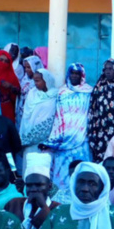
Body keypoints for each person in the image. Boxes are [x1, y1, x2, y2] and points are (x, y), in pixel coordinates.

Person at [39, 63, 94, 191]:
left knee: (82, 171)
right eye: (72, 73)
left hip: (81, 139)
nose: (74, 76)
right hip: (63, 140)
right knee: (62, 173)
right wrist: (53, 140)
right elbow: (58, 117)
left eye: (77, 73)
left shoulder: (89, 91)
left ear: (82, 76)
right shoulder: (62, 92)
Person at [3, 152, 60, 229]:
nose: (33, 189)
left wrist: (44, 208)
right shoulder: (13, 204)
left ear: (49, 186)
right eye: (29, 185)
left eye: (39, 185)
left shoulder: (58, 208)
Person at [19, 67, 58, 158]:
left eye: (38, 81)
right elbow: (26, 116)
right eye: (34, 81)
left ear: (46, 80)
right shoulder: (32, 93)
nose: (35, 84)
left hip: (47, 139)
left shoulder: (55, 95)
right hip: (29, 136)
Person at [0, 49, 21, 121]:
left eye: (6, 61)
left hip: (6, 109)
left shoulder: (12, 76)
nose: (3, 63)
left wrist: (11, 86)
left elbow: (18, 92)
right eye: (1, 60)